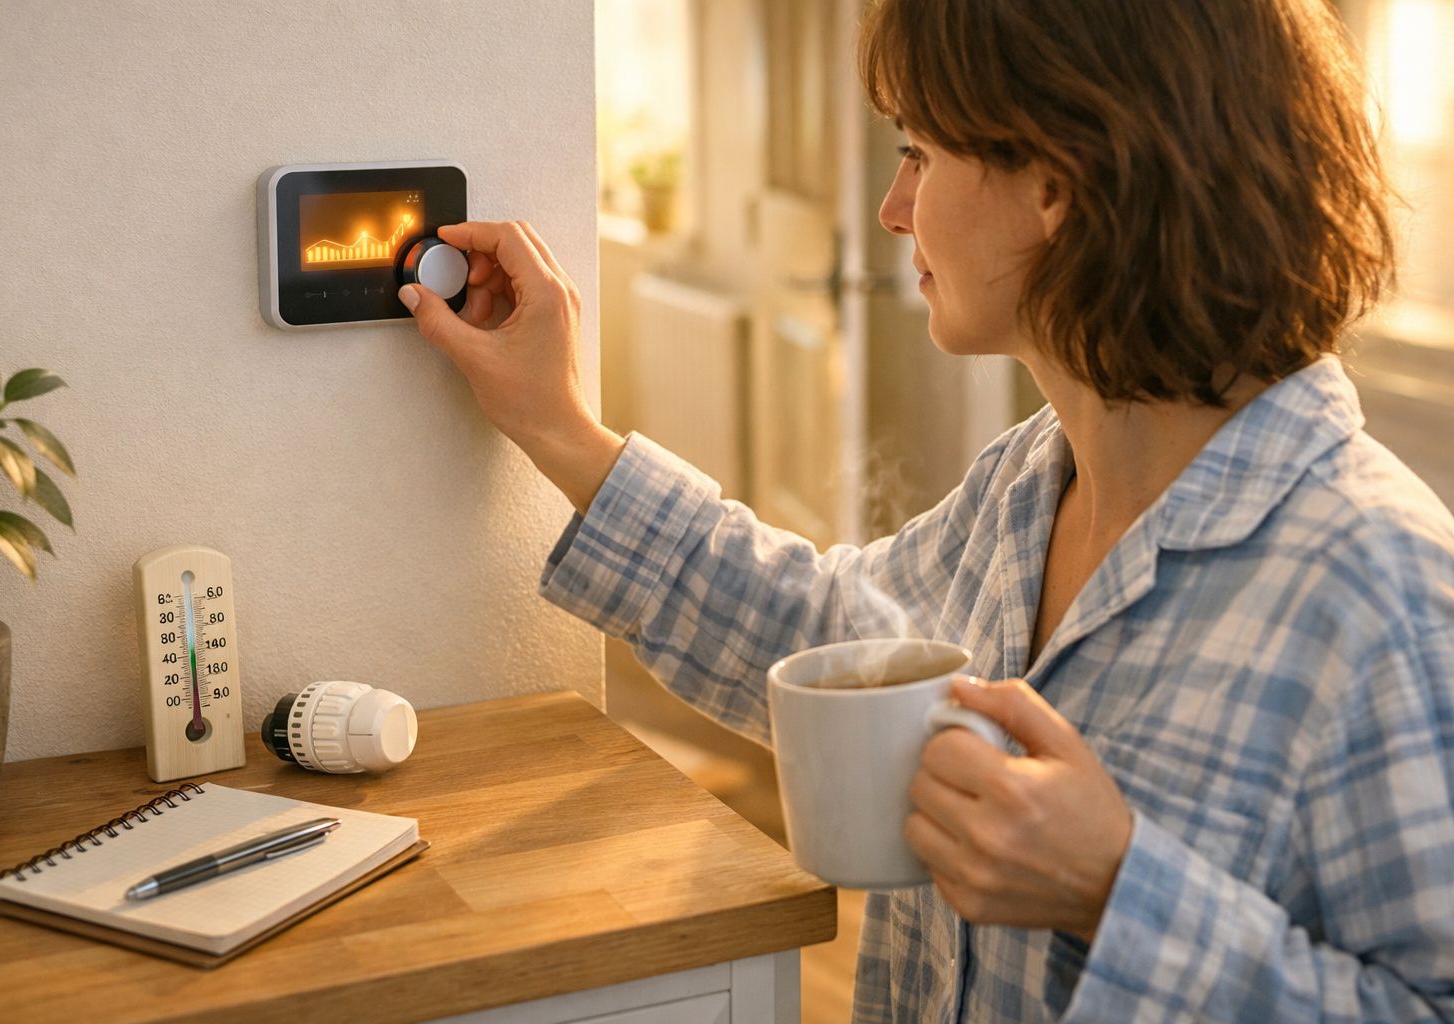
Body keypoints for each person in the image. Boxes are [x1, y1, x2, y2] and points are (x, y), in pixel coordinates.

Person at [398, 0, 1454, 1018]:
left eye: (919, 153)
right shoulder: (1027, 486)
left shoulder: (1385, 592)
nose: (893, 207)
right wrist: (560, 428)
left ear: (1058, 180)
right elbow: (830, 643)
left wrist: (1116, 890)